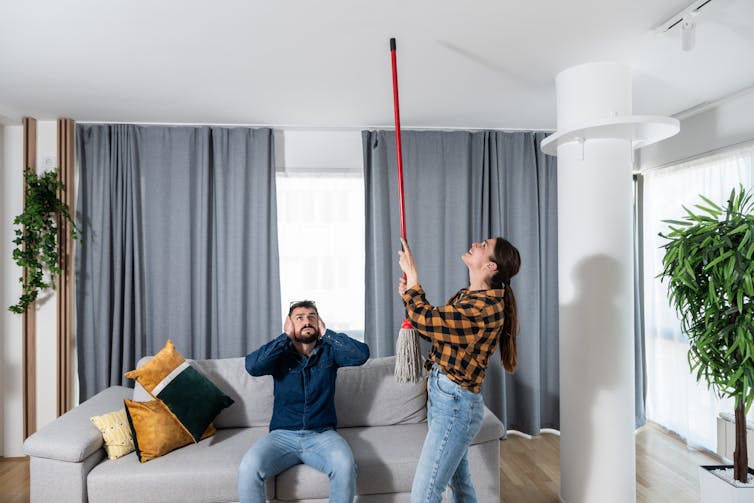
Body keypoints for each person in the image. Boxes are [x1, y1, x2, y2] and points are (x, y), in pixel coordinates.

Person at [397, 237, 521, 503]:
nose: (476, 243)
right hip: (447, 396)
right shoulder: (471, 296)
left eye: (484, 245)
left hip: (455, 405)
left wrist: (414, 279)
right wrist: (411, 295)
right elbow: (438, 332)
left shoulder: (484, 308)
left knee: (424, 494)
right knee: (461, 485)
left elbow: (427, 322)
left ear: (491, 266)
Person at [238, 300, 370, 503]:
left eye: (312, 317)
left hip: (322, 434)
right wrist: (285, 337)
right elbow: (252, 366)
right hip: (282, 435)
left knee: (344, 465)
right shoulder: (279, 353)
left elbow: (361, 355)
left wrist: (327, 333)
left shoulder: (330, 351)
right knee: (249, 466)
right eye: (299, 318)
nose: (306, 322)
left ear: (319, 322)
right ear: (289, 323)